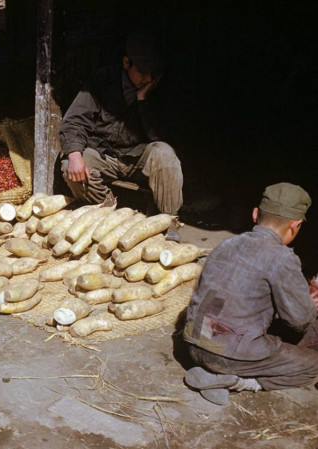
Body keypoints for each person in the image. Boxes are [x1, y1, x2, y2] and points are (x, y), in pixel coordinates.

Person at [183, 182, 318, 406]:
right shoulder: (283, 258)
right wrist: (309, 306)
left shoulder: (227, 244)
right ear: (295, 226)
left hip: (193, 343)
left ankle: (214, 375)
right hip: (227, 356)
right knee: (311, 364)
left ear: (255, 214)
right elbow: (299, 321)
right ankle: (236, 381)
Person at [59, 33, 183, 242]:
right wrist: (74, 154)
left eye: (153, 73)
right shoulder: (101, 80)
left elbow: (159, 135)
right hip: (104, 154)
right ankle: (107, 207)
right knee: (69, 165)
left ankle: (168, 220)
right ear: (126, 63)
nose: (148, 78)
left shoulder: (159, 87)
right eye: (143, 72)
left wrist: (143, 100)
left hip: (139, 158)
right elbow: (74, 120)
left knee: (165, 154)